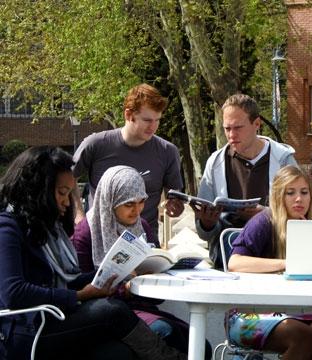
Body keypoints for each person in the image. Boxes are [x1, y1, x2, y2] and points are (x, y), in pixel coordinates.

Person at [0, 146, 186, 360]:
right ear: (37, 189)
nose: (67, 202)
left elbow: (60, 281)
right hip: (27, 331)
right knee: (112, 311)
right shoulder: (7, 227)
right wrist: (79, 295)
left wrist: (109, 276)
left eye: (70, 194)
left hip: (52, 318)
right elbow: (13, 294)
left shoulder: (42, 228)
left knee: (119, 353)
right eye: (62, 193)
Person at [70, 165, 210, 357]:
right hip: (108, 313)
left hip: (142, 307)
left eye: (141, 202)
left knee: (201, 344)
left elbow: (157, 297)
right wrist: (124, 288)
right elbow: (82, 290)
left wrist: (159, 274)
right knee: (167, 334)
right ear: (110, 201)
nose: (137, 211)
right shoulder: (86, 233)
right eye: (129, 204)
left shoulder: (142, 226)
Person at [227, 165, 312, 359]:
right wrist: (286, 263)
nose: (299, 199)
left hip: (294, 311)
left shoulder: (311, 227)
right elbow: (235, 262)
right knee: (301, 336)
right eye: (290, 192)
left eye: (304, 192)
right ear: (279, 196)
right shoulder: (264, 221)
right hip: (247, 317)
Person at [195, 93, 297, 269]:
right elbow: (203, 232)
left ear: (257, 124)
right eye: (227, 129)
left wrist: (265, 214)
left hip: (275, 257)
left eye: (238, 128)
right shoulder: (215, 162)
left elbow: (302, 214)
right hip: (226, 257)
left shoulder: (283, 159)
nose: (231, 135)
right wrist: (207, 223)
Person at [72, 83, 184, 241]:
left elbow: (174, 199)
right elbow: (68, 179)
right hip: (98, 239)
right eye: (147, 120)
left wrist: (175, 208)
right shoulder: (95, 145)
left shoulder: (168, 151)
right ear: (128, 115)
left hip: (144, 240)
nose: (153, 126)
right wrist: (78, 214)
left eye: (157, 120)